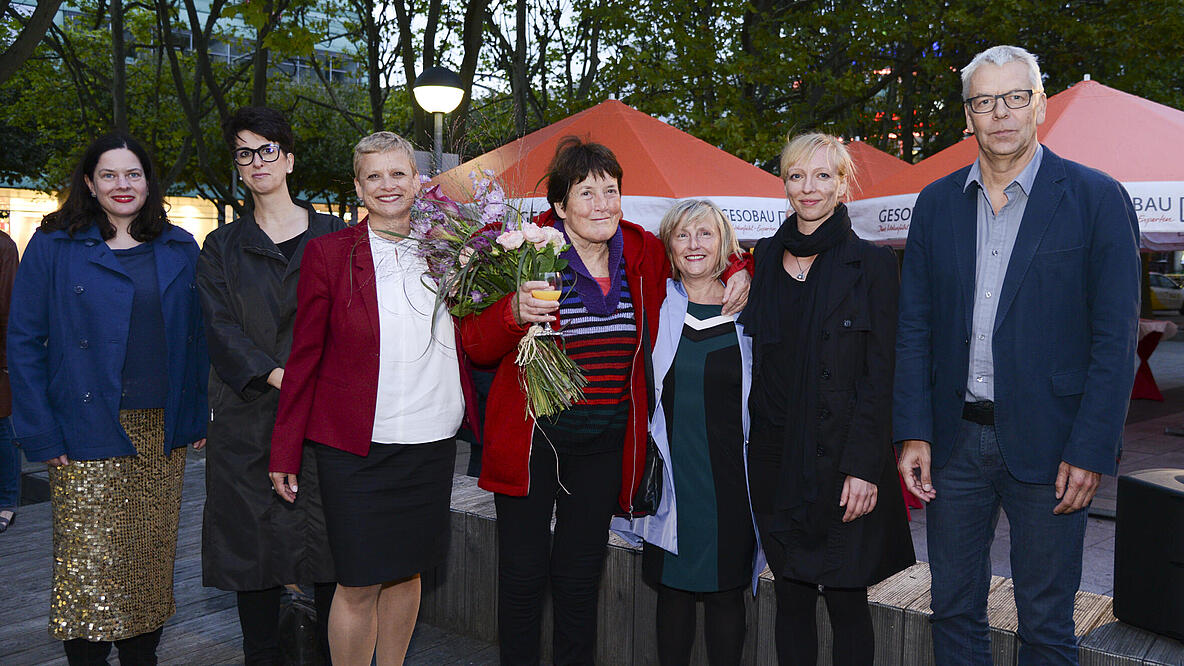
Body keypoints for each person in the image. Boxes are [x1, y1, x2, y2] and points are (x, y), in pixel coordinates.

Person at [458, 136, 751, 665]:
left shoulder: (639, 251)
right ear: (559, 206)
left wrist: (736, 271)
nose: (601, 204)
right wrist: (512, 313)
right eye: (585, 193)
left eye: (610, 191)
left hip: (602, 445)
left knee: (578, 580)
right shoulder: (523, 253)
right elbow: (475, 346)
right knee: (523, 580)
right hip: (533, 444)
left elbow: (701, 255)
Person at [894, 45, 1139, 665]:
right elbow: (915, 327)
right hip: (953, 445)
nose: (1000, 112)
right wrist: (913, 430)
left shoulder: (1097, 199)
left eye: (1015, 97)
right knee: (952, 611)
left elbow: (1115, 341)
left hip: (1055, 448)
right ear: (968, 115)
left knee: (1048, 626)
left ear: (1041, 106)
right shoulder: (935, 203)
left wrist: (1091, 449)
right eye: (984, 101)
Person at [269, 131, 477, 666]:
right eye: (375, 176)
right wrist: (285, 449)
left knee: (408, 571)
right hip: (356, 447)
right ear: (359, 187)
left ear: (418, 181)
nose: (388, 185)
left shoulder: (457, 249)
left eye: (398, 173)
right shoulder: (329, 254)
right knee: (358, 582)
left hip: (431, 439)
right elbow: (306, 355)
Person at [8, 132, 208, 665]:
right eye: (110, 175)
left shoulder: (178, 245)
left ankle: (144, 658)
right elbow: (24, 342)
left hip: (160, 434)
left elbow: (198, 338)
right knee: (88, 572)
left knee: (148, 564)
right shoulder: (54, 245)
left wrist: (196, 413)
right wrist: (41, 432)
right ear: (90, 184)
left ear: (149, 182)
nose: (123, 184)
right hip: (83, 428)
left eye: (134, 174)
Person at [740, 132, 914, 665]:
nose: (807, 188)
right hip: (775, 460)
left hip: (842, 463)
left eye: (821, 176)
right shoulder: (761, 260)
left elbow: (882, 373)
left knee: (846, 600)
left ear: (843, 184)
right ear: (784, 184)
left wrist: (864, 466)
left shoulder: (875, 265)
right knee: (789, 599)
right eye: (796, 176)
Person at [197, 107, 341, 665]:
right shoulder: (221, 246)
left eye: (267, 149)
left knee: (330, 546)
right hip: (249, 413)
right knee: (251, 553)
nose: (256, 161)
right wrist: (281, 374)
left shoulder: (337, 235)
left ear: (289, 158)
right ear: (236, 167)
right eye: (243, 153)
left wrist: (314, 383)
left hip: (326, 416)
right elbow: (219, 327)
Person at [611, 200, 763, 665]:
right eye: (682, 235)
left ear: (725, 244)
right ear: (669, 247)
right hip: (671, 475)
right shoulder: (655, 303)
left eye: (706, 234)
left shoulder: (751, 308)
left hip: (733, 482)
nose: (694, 244)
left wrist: (747, 268)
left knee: (726, 596)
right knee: (672, 596)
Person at [0, 229, 18, 534]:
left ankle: (7, 501)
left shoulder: (3, 247)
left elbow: (9, 309)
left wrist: (7, 362)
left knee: (2, 427)